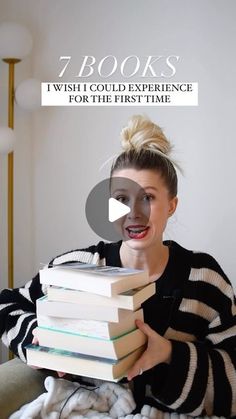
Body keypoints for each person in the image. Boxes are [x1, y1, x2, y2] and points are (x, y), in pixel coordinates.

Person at [0, 115, 236, 418]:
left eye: (148, 198)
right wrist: (40, 335)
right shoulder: (78, 268)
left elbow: (232, 376)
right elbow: (7, 303)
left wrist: (168, 355)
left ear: (172, 205)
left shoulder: (205, 280)